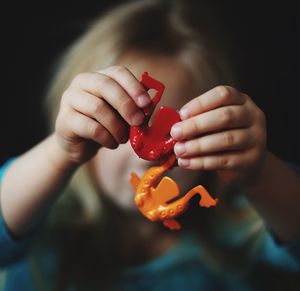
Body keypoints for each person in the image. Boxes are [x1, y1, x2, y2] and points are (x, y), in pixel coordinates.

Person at [1, 0, 300, 290]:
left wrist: (259, 172)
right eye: (117, 119)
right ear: (81, 126)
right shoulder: (47, 215)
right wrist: (59, 154)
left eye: (178, 132)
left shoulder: (234, 228)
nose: (147, 157)